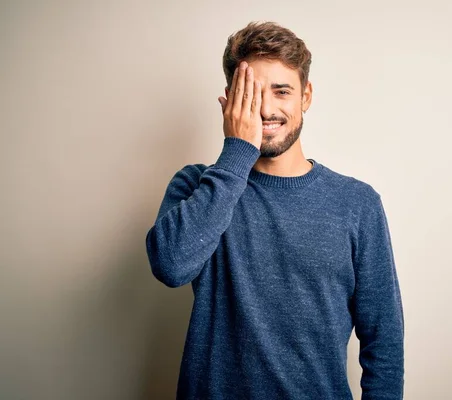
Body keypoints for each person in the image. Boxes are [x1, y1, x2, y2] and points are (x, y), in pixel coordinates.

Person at [145, 21, 404, 399]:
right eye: (250, 95)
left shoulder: (357, 204)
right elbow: (170, 265)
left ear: (306, 96)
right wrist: (237, 152)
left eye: (281, 91)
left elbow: (384, 341)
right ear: (230, 99)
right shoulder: (197, 186)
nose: (266, 108)